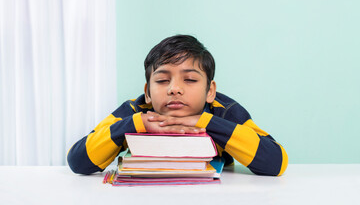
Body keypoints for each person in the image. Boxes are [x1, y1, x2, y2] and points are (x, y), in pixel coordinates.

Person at [67, 35, 288, 176]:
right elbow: (77, 160)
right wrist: (135, 124)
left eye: (190, 80)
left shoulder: (225, 110)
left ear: (210, 91)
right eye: (163, 80)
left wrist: (204, 121)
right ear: (147, 93)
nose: (175, 89)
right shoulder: (135, 112)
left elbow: (277, 162)